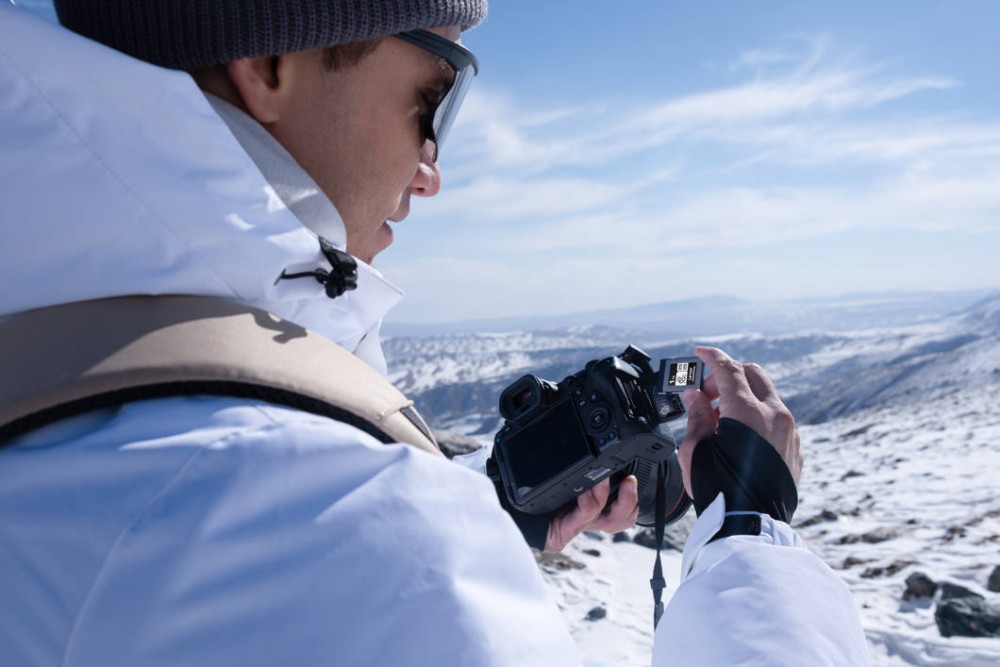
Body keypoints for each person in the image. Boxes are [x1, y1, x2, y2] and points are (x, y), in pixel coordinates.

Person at [0, 1, 869, 665]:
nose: (432, 174)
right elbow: (325, 552)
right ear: (269, 60)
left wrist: (498, 511)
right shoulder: (331, 529)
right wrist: (752, 531)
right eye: (436, 99)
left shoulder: (57, 345)